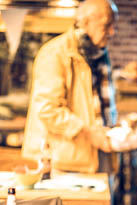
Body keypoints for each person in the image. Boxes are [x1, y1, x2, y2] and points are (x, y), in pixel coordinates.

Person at [22, 0, 118, 173]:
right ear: (86, 22)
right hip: (61, 164)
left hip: (94, 158)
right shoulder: (55, 53)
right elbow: (48, 110)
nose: (113, 32)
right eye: (107, 25)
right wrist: (88, 132)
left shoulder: (99, 54)